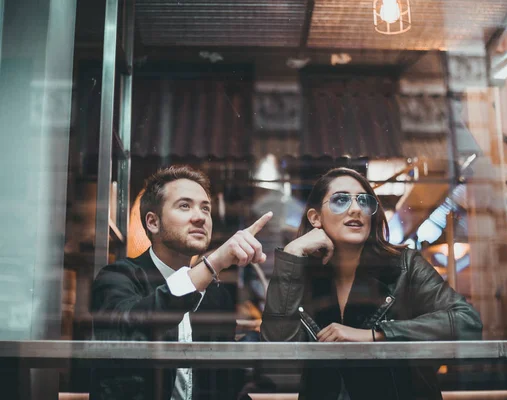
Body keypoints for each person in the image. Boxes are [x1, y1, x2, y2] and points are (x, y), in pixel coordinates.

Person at [261, 167, 483, 400]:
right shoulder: (301, 276)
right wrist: (293, 252)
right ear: (316, 218)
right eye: (341, 200)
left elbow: (467, 322)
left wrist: (375, 335)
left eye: (364, 201)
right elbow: (276, 357)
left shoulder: (405, 266)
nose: (356, 209)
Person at [91, 165, 272, 400]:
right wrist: (214, 262)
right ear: (153, 222)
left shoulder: (217, 296)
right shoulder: (117, 277)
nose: (200, 217)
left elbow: (225, 385)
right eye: (184, 206)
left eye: (205, 208)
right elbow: (133, 332)